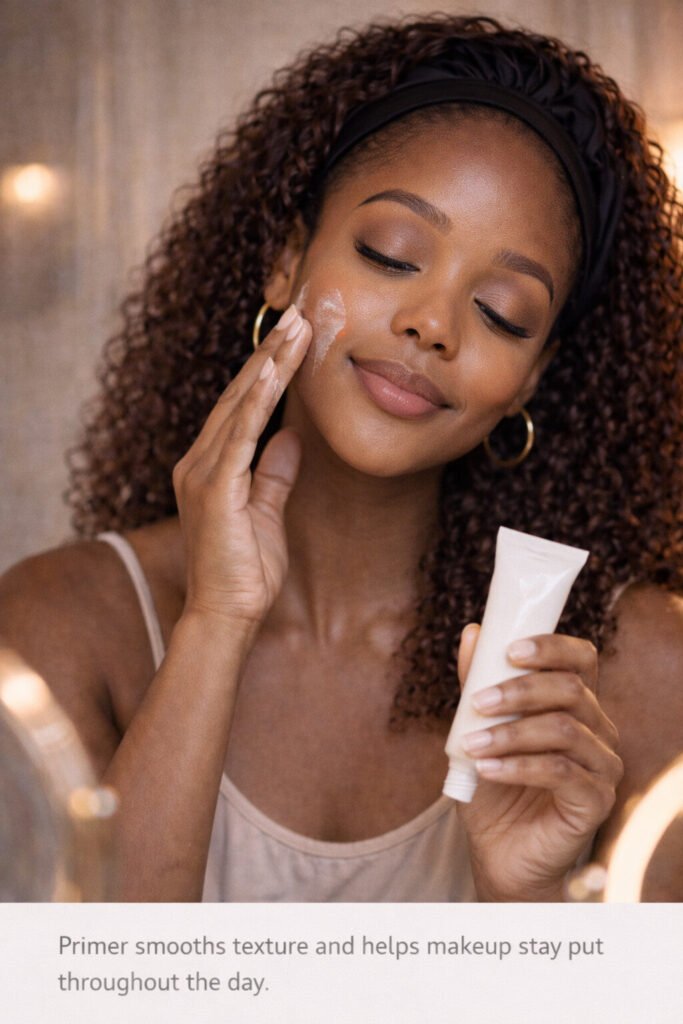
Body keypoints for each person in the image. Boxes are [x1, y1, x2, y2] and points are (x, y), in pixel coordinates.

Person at [1, 13, 681, 903]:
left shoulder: (641, 675)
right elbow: (93, 987)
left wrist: (526, 896)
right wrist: (215, 620)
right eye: (390, 255)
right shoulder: (60, 632)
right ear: (286, 261)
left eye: (503, 312)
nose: (431, 326)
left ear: (530, 378)